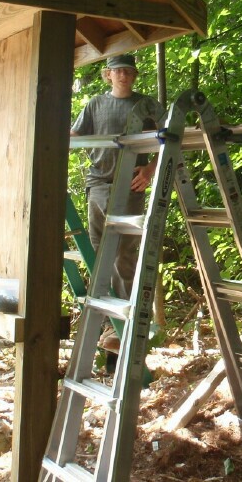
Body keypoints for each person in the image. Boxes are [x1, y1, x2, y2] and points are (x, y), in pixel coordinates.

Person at [70, 54, 161, 351]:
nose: (123, 75)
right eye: (118, 71)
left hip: (131, 185)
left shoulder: (146, 105)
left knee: (124, 254)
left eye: (129, 71)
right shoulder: (95, 104)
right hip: (98, 183)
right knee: (99, 252)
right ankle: (108, 323)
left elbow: (171, 138)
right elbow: (74, 135)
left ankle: (126, 322)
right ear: (107, 74)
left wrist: (150, 170)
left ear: (135, 75)